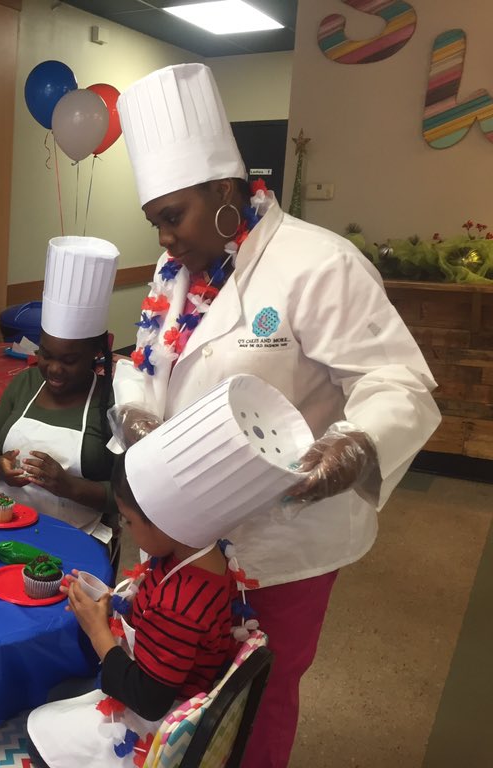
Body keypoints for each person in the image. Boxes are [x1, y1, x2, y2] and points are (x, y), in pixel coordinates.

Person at [111, 63, 441, 767]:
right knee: (177, 689)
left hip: (281, 540)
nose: (165, 240)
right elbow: (142, 364)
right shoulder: (175, 277)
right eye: (155, 222)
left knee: (255, 698)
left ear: (227, 192)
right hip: (181, 534)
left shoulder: (318, 263)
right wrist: (137, 412)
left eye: (174, 217)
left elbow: (399, 380)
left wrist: (354, 443)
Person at [26, 434, 246, 768]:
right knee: (60, 692)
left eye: (128, 520)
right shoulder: (203, 553)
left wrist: (97, 630)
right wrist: (111, 602)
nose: (125, 529)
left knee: (38, 730)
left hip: (152, 723)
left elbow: (149, 699)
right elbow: (158, 621)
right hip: (168, 679)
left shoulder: (179, 605)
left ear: (167, 519)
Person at [0, 236, 121, 557]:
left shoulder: (111, 402)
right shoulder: (25, 383)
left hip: (74, 537)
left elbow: (127, 496)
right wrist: (0, 466)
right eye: (46, 355)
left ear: (96, 353)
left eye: (69, 361)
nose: (54, 369)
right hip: (3, 525)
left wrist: (70, 487)